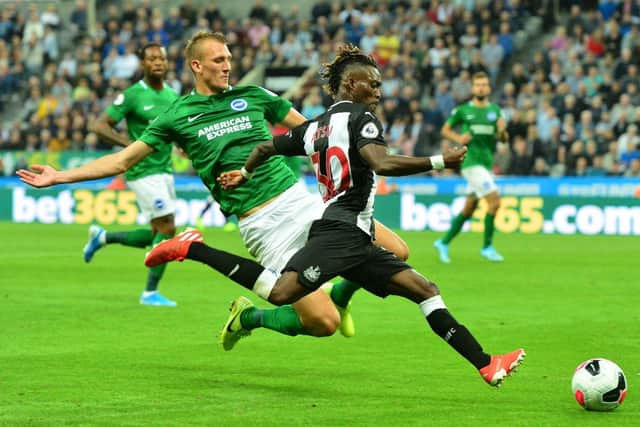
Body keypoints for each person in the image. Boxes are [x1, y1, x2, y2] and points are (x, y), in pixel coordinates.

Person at [145, 45, 524, 387]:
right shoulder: (362, 119)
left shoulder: (314, 127)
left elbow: (265, 146)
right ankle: (194, 249)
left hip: (355, 235)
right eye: (372, 84)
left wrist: (243, 172)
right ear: (352, 84)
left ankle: (486, 363)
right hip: (338, 230)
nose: (378, 91)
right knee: (282, 293)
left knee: (425, 290)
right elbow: (381, 162)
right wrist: (440, 160)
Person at [17, 32, 409, 341]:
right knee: (321, 324)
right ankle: (249, 317)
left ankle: (342, 296)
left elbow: (317, 132)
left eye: (229, 60)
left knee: (397, 250)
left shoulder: (254, 97)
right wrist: (59, 176)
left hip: (302, 203)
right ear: (197, 65)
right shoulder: (178, 115)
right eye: (219, 60)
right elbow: (121, 160)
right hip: (262, 224)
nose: (227, 66)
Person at [86, 43, 179, 306]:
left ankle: (102, 237)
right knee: (168, 228)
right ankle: (149, 292)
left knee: (156, 233)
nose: (158, 62)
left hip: (165, 170)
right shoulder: (132, 95)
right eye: (152, 59)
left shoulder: (173, 96)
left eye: (162, 57)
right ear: (143, 65)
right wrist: (130, 147)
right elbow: (99, 125)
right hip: (142, 170)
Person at [434, 71, 509, 264]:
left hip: (485, 164)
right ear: (473, 88)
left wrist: (502, 131)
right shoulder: (463, 111)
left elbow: (503, 139)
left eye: (484, 84)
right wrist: (459, 139)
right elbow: (445, 129)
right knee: (495, 202)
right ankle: (487, 247)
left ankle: (443, 242)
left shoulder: (495, 111)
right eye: (478, 84)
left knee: (469, 208)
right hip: (471, 163)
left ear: (489, 88)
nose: (481, 87)